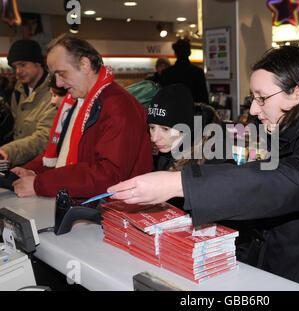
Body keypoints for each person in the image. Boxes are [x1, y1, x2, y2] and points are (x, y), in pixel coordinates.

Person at [108, 46, 299, 291]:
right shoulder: (288, 133)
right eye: (253, 99)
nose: (255, 110)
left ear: (295, 94)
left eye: (262, 98)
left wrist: (177, 184)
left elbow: (285, 184)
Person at [11, 34, 154, 199]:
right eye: (54, 76)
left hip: (110, 213)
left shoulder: (119, 105)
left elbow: (109, 175)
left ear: (84, 64)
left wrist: (40, 184)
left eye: (62, 74)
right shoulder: (79, 101)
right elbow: (63, 151)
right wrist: (33, 171)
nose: (58, 84)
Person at [0, 39, 56, 167]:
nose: (18, 71)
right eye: (15, 67)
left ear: (38, 63)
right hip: (18, 164)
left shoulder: (55, 92)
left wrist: (8, 150)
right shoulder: (19, 89)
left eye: (22, 64)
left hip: (40, 167)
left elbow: (44, 137)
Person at [160, 39, 209, 104]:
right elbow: (203, 98)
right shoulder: (198, 72)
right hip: (193, 111)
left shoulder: (166, 73)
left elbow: (162, 98)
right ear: (189, 53)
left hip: (172, 111)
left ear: (175, 53)